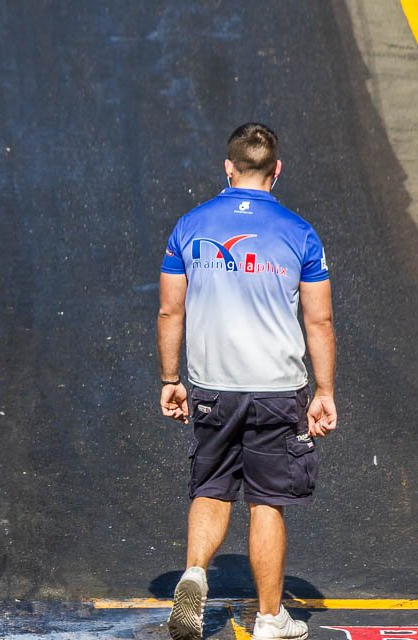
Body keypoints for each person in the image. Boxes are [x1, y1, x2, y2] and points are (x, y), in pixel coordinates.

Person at [157, 123, 337, 640]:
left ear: (228, 168)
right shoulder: (300, 232)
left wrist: (171, 378)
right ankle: (268, 618)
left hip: (212, 384)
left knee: (211, 489)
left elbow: (170, 311)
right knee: (265, 501)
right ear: (276, 171)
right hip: (276, 388)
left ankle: (194, 574)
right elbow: (318, 320)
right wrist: (323, 392)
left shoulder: (189, 226)